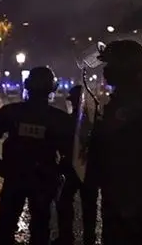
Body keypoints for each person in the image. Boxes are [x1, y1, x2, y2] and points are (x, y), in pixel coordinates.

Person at [0, 66, 73, 245]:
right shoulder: (59, 118)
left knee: (6, 226)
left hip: (16, 175)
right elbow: (70, 152)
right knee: (40, 227)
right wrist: (58, 172)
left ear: (27, 85)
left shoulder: (11, 111)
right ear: (52, 89)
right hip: (43, 178)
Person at [88, 39, 142, 244]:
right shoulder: (125, 96)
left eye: (111, 65)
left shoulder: (141, 100)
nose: (106, 71)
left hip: (136, 194)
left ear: (125, 66)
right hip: (119, 190)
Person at [54, 85, 97, 245]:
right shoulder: (95, 122)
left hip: (76, 169)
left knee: (66, 202)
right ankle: (88, 238)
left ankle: (67, 237)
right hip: (88, 170)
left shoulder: (68, 121)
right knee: (88, 206)